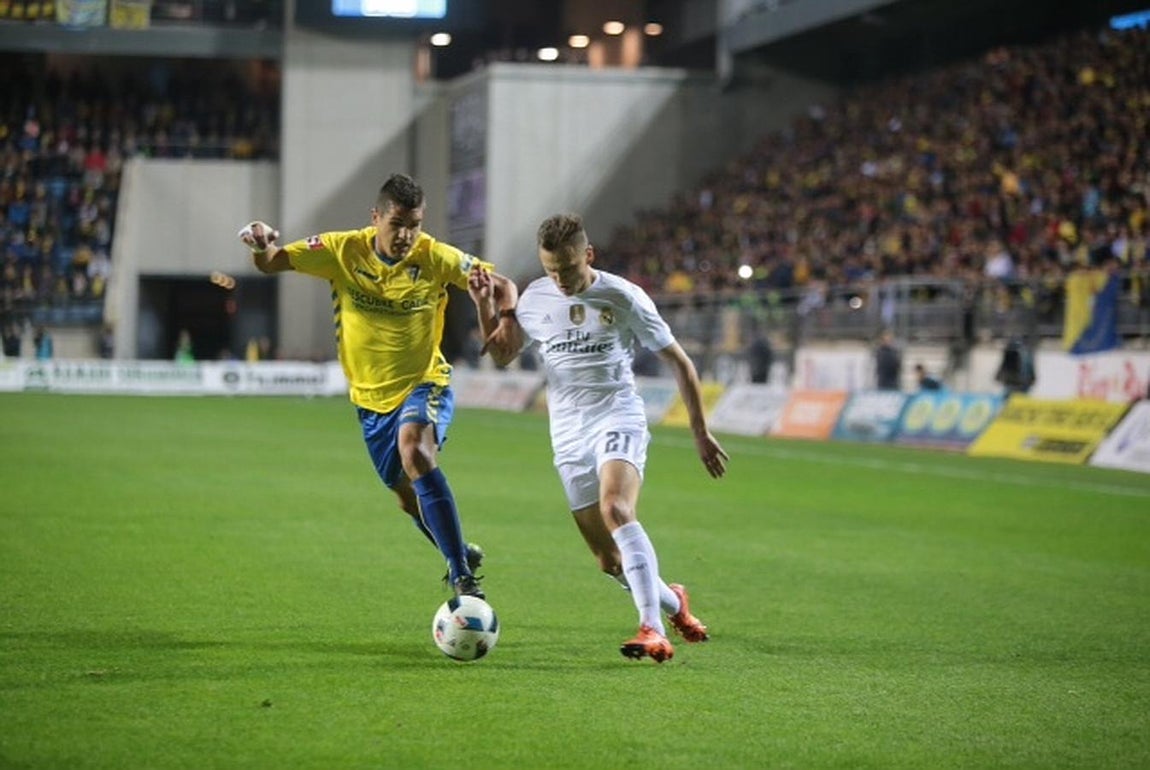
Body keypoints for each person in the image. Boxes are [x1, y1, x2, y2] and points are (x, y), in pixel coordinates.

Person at [238, 173, 518, 599]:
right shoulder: (341, 250)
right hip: (370, 400)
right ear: (376, 218)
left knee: (415, 450)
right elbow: (272, 262)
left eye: (415, 225)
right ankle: (457, 549)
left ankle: (462, 577)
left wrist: (506, 316)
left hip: (424, 382)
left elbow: (503, 285)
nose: (406, 235)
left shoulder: (434, 256)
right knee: (407, 498)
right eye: (397, 224)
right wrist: (261, 246)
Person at [471, 213, 728, 663]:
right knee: (608, 561)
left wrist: (700, 432)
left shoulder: (623, 296)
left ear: (588, 255)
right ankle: (675, 603)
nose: (561, 279)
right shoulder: (536, 298)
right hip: (567, 434)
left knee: (616, 509)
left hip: (617, 416)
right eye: (551, 269)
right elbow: (503, 355)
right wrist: (484, 306)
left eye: (568, 268)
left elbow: (680, 363)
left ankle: (652, 628)